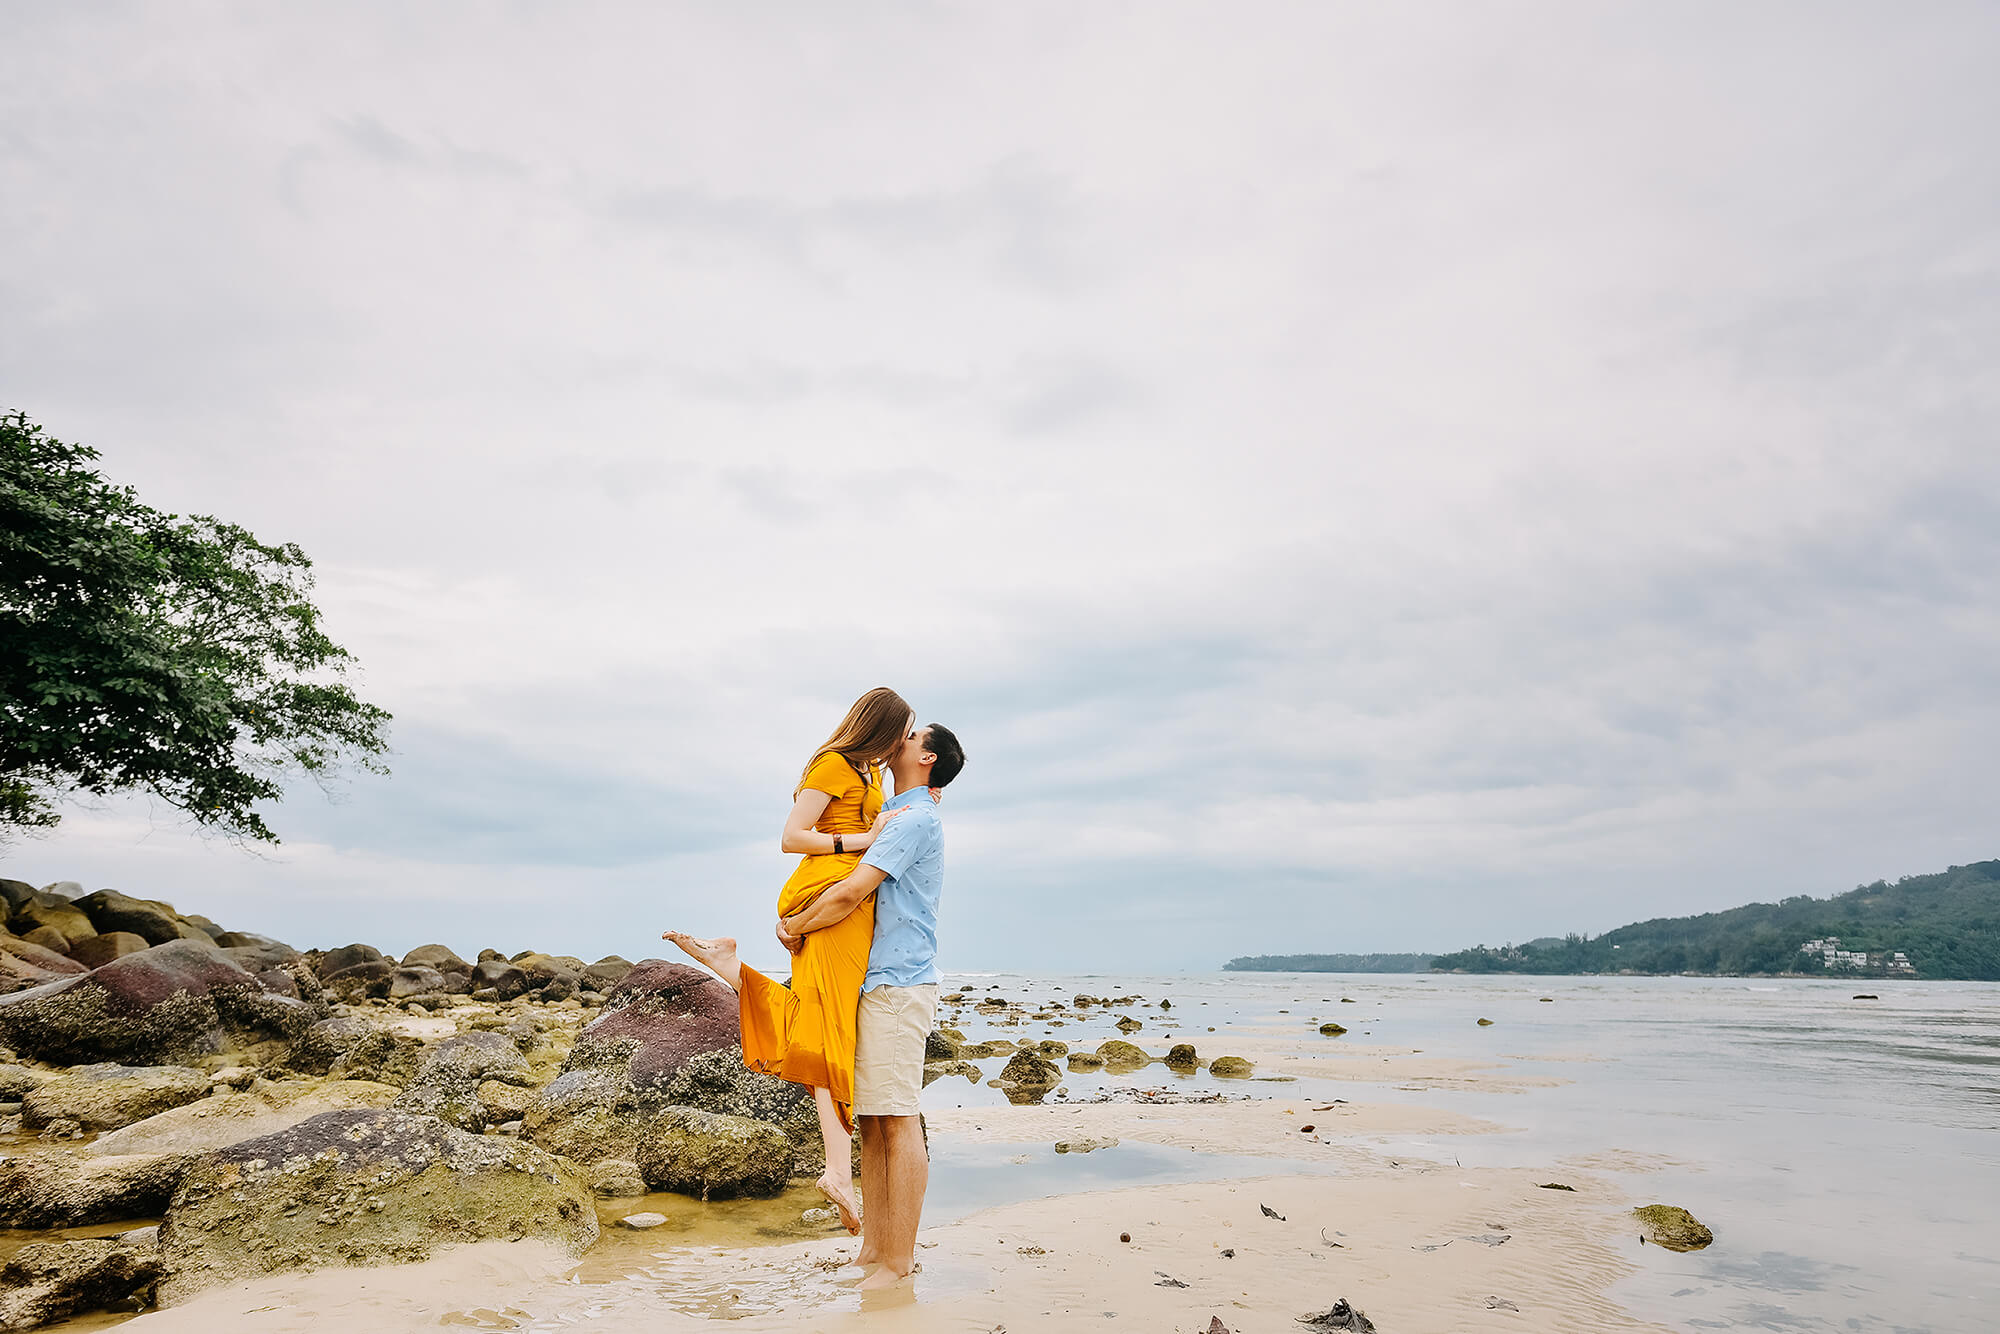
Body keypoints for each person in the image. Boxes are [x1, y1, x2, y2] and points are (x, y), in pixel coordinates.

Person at [662, 686, 915, 1232]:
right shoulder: (830, 765)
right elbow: (791, 837)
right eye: (902, 730)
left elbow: (884, 821)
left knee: (818, 1022)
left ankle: (729, 964)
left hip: (849, 906)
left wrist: (918, 798)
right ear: (879, 727)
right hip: (827, 898)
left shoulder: (869, 774)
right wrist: (861, 840)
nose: (903, 741)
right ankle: (836, 1172)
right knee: (827, 1033)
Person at [775, 720, 964, 1289]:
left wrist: (797, 926)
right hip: (879, 984)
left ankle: (897, 1262)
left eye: (909, 738)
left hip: (898, 986)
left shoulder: (914, 819)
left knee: (899, 1122)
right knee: (876, 1125)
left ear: (926, 758)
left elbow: (854, 889)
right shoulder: (902, 812)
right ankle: (874, 1253)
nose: (896, 742)